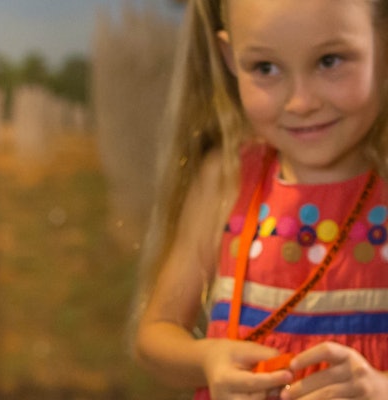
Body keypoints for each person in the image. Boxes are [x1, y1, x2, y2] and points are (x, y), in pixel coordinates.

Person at [132, 0, 388, 399]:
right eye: (265, 68)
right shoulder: (227, 179)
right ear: (230, 57)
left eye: (330, 61)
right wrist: (208, 359)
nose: (301, 103)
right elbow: (154, 336)